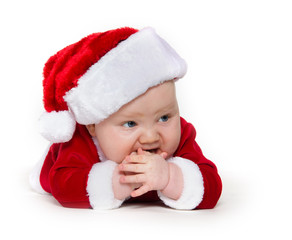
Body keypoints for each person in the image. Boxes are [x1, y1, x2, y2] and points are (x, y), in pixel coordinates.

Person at [30, 27, 222, 210]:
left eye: (164, 117)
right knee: (46, 178)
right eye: (130, 123)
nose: (150, 137)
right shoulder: (82, 139)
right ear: (93, 126)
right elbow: (64, 185)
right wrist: (120, 180)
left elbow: (212, 187)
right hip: (53, 165)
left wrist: (170, 176)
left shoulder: (182, 134)